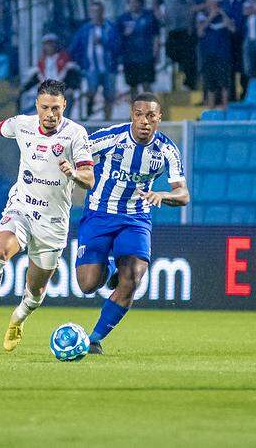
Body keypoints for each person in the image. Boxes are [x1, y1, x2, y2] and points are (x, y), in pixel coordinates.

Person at [0, 79, 94, 352]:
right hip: (22, 206)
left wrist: (73, 173)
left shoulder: (75, 134)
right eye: (45, 108)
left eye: (56, 109)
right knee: (0, 250)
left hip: (54, 221)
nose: (50, 115)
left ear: (65, 106)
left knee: (35, 291)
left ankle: (19, 317)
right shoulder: (23, 124)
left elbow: (89, 177)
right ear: (37, 106)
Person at [75, 93, 189, 354]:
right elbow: (77, 153)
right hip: (99, 214)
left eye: (151, 115)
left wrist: (163, 195)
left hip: (136, 218)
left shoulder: (167, 149)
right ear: (131, 115)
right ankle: (111, 262)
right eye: (139, 114)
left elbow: (183, 194)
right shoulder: (110, 137)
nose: (144, 121)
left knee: (133, 278)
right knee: (88, 285)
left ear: (159, 118)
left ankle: (93, 339)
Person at [69, 1, 119, 120]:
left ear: (102, 12)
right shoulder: (85, 29)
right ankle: (89, 107)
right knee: (91, 91)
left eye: (98, 11)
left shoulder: (110, 27)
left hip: (109, 67)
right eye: (93, 12)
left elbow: (117, 46)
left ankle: (107, 120)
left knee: (109, 95)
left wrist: (104, 42)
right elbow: (75, 46)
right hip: (91, 67)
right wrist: (79, 62)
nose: (95, 14)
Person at [117, 0, 160, 98]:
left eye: (135, 2)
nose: (133, 4)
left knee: (146, 85)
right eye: (130, 2)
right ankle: (135, 112)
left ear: (140, 2)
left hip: (146, 56)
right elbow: (117, 38)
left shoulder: (149, 16)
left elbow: (156, 35)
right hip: (130, 58)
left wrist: (156, 51)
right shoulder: (123, 19)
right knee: (133, 87)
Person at [196, 0, 235, 107]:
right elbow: (200, 32)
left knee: (224, 83)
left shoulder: (226, 15)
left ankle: (225, 107)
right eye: (213, 3)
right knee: (210, 83)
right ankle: (211, 107)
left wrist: (222, 14)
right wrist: (211, 17)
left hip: (223, 54)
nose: (215, 5)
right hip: (209, 54)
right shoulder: (203, 16)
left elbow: (232, 29)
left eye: (218, 3)